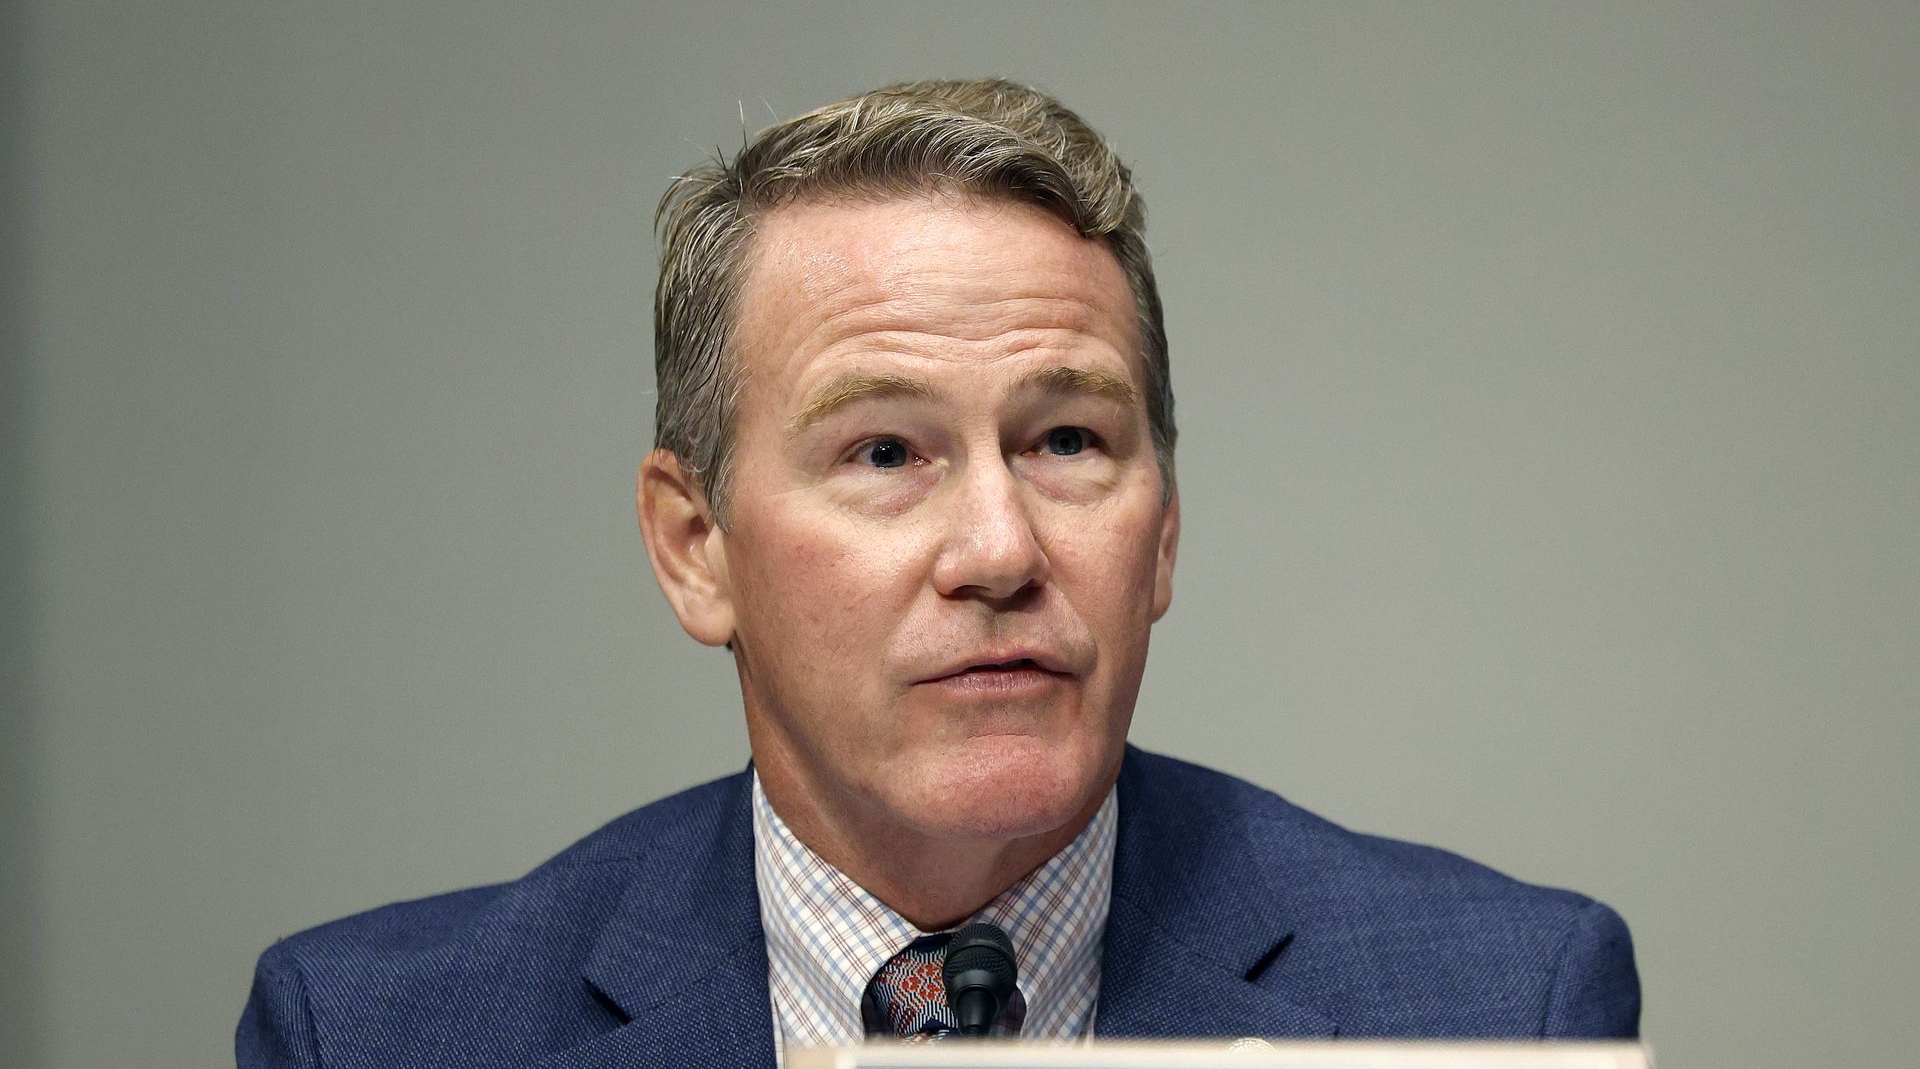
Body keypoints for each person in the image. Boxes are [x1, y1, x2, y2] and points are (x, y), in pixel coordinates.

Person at [238, 78, 1638, 1067]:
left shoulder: (1500, 1001)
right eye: (887, 452)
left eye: (1069, 440)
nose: (1000, 551)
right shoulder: (373, 1034)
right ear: (695, 547)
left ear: (1163, 533)